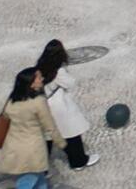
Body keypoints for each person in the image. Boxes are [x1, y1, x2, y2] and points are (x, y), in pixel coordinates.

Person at [0, 65, 63, 188]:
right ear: (31, 83)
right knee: (29, 179)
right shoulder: (38, 102)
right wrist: (60, 142)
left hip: (14, 145)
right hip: (32, 148)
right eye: (38, 77)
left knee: (40, 179)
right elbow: (50, 125)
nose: (42, 79)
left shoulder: (12, 101)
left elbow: (5, 116)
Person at [33, 41, 93, 170]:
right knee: (72, 134)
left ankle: (40, 168)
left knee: (46, 138)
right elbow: (70, 83)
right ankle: (78, 161)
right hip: (58, 107)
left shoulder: (39, 68)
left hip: (42, 106)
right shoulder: (58, 72)